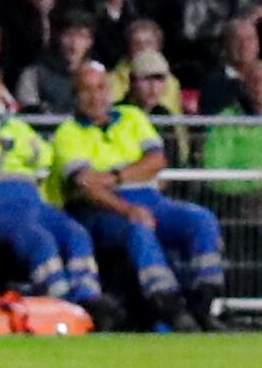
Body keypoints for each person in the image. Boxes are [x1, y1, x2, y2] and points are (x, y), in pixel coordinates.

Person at [51, 57, 223, 328]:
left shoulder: (133, 117)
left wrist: (113, 176)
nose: (95, 97)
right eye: (87, 90)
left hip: (149, 198)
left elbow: (157, 161)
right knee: (138, 228)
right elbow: (87, 186)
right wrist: (128, 208)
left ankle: (203, 303)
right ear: (76, 95)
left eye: (100, 88)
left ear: (109, 90)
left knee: (200, 219)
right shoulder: (67, 133)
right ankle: (169, 306)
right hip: (103, 210)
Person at [0, 57, 105, 312]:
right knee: (39, 239)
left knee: (76, 233)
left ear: (0, 88)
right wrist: (16, 152)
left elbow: (45, 156)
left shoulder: (17, 125)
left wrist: (3, 149)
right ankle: (60, 305)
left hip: (31, 201)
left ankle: (89, 302)